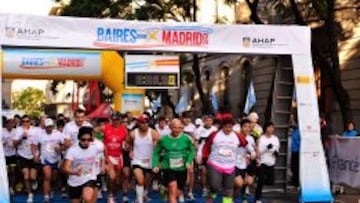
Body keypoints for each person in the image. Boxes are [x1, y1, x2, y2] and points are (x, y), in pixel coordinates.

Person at [202, 115, 247, 203]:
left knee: (228, 189)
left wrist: (248, 154)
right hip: (215, 164)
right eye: (226, 127)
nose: (228, 129)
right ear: (222, 126)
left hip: (230, 166)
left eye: (230, 127)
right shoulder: (215, 135)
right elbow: (206, 147)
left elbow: (244, 143)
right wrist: (203, 160)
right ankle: (211, 193)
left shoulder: (237, 136)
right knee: (215, 186)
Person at [152, 118, 195, 203]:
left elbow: (192, 151)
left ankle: (164, 190)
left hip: (182, 168)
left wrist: (189, 161)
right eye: (175, 128)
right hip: (168, 168)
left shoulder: (186, 138)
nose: (177, 130)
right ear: (170, 127)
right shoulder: (163, 139)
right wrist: (155, 165)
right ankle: (168, 192)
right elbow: (156, 153)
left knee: (177, 192)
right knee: (172, 188)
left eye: (179, 128)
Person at [63, 126, 102, 203]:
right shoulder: (73, 150)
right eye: (83, 139)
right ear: (79, 138)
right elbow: (66, 168)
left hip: (89, 178)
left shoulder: (96, 147)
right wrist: (74, 172)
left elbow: (103, 154)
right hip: (75, 181)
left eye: (89, 140)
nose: (86, 142)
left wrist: (103, 165)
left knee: (88, 198)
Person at [31, 118, 65, 203]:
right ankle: (46, 197)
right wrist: (35, 156)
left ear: (53, 126)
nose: (49, 128)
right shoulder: (40, 134)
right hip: (45, 159)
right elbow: (33, 145)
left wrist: (60, 149)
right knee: (47, 177)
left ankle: (51, 190)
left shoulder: (58, 134)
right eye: (47, 127)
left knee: (53, 178)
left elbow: (65, 144)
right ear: (44, 127)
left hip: (56, 159)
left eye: (50, 127)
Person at [128, 114, 160, 203]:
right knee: (140, 180)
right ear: (138, 123)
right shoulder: (133, 133)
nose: (144, 124)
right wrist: (130, 150)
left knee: (146, 181)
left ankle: (141, 196)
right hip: (137, 160)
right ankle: (140, 200)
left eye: (146, 122)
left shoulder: (153, 133)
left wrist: (157, 148)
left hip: (149, 161)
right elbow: (127, 143)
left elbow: (161, 145)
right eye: (142, 122)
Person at [102, 112, 128, 203]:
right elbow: (93, 132)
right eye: (114, 119)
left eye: (117, 119)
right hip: (108, 155)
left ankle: (113, 194)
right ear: (111, 119)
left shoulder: (124, 130)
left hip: (119, 156)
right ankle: (110, 196)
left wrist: (127, 146)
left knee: (117, 180)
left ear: (120, 120)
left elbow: (127, 142)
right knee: (111, 177)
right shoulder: (105, 127)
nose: (116, 121)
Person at [13, 115, 38, 203]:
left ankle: (35, 181)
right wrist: (21, 138)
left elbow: (36, 144)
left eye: (27, 121)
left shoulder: (35, 130)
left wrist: (35, 155)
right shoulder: (18, 130)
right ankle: (30, 194)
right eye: (23, 121)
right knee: (26, 176)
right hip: (22, 155)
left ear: (30, 121)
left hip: (32, 155)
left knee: (32, 177)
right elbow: (14, 144)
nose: (25, 123)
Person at [254, 122, 280, 203]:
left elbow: (277, 151)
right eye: (269, 127)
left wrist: (275, 152)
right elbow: (258, 152)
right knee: (261, 180)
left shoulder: (275, 139)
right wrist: (266, 148)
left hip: (271, 162)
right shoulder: (261, 138)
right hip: (262, 162)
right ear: (265, 128)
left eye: (272, 127)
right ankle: (258, 198)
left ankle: (256, 182)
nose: (271, 129)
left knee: (271, 181)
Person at [194, 115, 217, 197]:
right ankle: (204, 188)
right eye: (207, 120)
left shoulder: (215, 130)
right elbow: (196, 142)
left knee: (211, 173)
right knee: (203, 172)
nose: (208, 122)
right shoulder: (199, 130)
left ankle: (212, 188)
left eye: (210, 120)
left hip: (212, 154)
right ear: (204, 121)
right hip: (202, 153)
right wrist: (197, 154)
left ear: (212, 121)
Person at [234, 119, 256, 203]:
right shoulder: (236, 137)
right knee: (239, 184)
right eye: (245, 127)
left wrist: (250, 156)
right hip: (234, 163)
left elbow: (252, 151)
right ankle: (231, 196)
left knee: (247, 182)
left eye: (249, 127)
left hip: (245, 164)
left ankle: (241, 198)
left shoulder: (250, 139)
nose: (247, 129)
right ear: (241, 127)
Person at [2, 118, 17, 195]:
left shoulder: (15, 131)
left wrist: (15, 143)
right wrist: (4, 143)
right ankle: (5, 187)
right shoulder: (2, 131)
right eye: (8, 123)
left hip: (13, 154)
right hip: (4, 155)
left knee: (13, 171)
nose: (10, 125)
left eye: (11, 123)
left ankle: (11, 187)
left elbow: (18, 142)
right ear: (6, 124)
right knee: (6, 172)